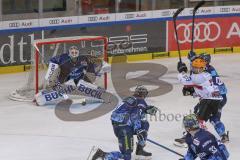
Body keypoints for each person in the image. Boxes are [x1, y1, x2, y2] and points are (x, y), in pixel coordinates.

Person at [91, 85, 158, 160]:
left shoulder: (129, 99)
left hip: (119, 126)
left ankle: (140, 149)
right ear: (144, 94)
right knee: (126, 157)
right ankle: (102, 155)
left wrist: (146, 110)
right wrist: (138, 130)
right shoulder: (140, 101)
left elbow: (134, 112)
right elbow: (135, 115)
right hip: (124, 127)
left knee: (144, 124)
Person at [175, 56, 227, 147]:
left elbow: (185, 80)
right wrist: (192, 92)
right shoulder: (205, 74)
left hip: (209, 100)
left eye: (196, 67)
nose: (194, 69)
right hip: (214, 100)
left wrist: (181, 71)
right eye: (193, 67)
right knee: (203, 118)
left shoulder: (200, 76)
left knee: (197, 120)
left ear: (202, 68)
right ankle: (199, 137)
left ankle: (196, 139)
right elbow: (201, 89)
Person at [35, 46, 111, 106]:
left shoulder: (83, 59)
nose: (74, 54)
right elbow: (53, 61)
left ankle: (99, 93)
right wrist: (51, 74)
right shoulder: (62, 58)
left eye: (75, 52)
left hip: (79, 79)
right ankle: (43, 95)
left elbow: (94, 64)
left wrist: (100, 69)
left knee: (84, 84)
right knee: (60, 89)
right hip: (65, 79)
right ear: (69, 53)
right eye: (72, 52)